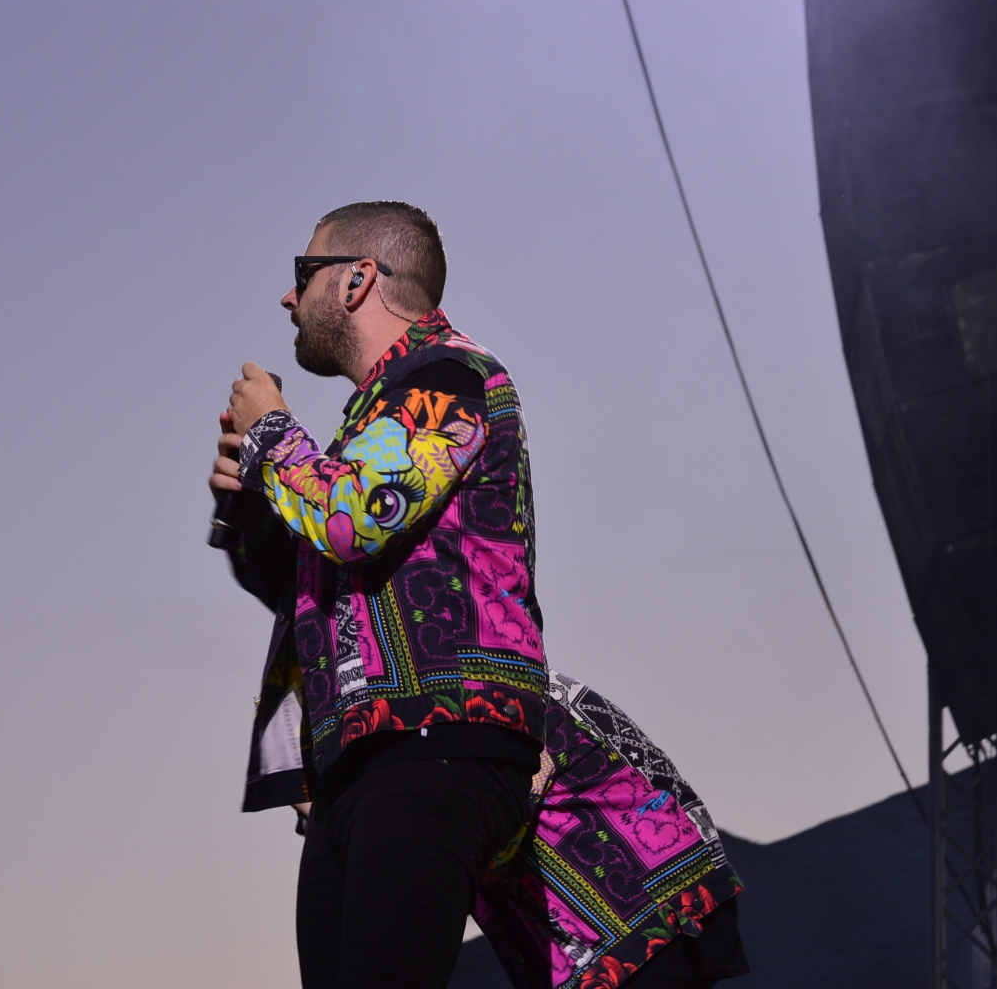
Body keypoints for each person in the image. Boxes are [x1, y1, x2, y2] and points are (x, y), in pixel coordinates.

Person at [212, 202, 747, 989]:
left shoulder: (450, 375)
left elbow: (353, 521)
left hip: (434, 742)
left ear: (359, 279)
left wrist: (272, 436)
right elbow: (312, 598)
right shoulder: (370, 428)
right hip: (355, 762)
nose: (287, 299)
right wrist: (255, 497)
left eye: (304, 274)